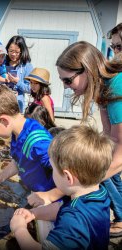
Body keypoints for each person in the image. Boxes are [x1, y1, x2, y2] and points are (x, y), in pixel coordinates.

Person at [56, 41, 122, 238]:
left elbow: (120, 151)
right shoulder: (102, 89)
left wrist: (73, 185)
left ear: (87, 70)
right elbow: (109, 137)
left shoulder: (117, 87)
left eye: (67, 81)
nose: (66, 87)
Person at [10, 125, 113, 249]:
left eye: (53, 169)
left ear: (68, 177)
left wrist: (19, 229)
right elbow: (62, 208)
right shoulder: (100, 194)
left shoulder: (72, 221)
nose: (52, 172)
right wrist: (33, 213)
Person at [0, 83, 55, 197]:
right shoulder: (18, 133)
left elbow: (70, 173)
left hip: (51, 205)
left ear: (4, 121)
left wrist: (50, 196)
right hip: (36, 196)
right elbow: (18, 162)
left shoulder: (38, 142)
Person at [5, 35, 33, 113]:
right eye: (11, 51)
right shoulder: (2, 62)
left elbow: (31, 88)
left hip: (17, 106)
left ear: (22, 51)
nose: (13, 54)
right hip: (1, 103)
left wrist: (17, 82)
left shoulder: (27, 66)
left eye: (17, 52)